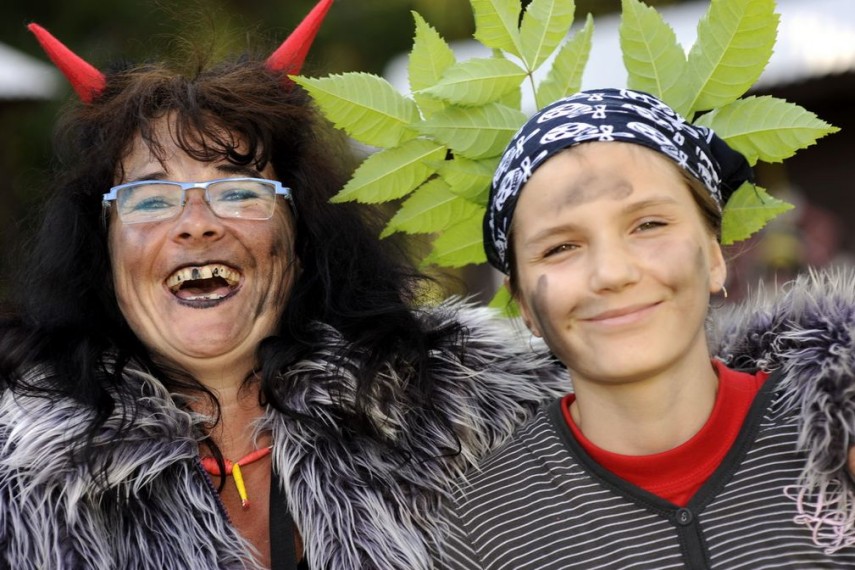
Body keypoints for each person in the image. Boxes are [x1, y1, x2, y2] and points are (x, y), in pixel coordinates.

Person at [0, 2, 568, 568]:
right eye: (150, 199)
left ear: (300, 239)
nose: (196, 223)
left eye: (239, 192)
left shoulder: (472, 409)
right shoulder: (19, 479)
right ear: (102, 253)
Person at [436, 88, 855, 568]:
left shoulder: (835, 435)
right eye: (560, 248)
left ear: (714, 256)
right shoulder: (476, 530)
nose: (612, 273)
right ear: (523, 303)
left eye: (649, 224)